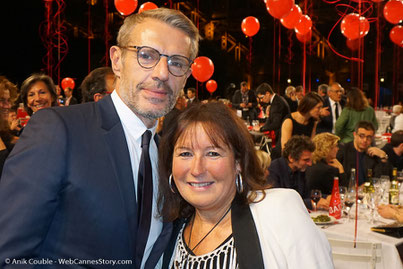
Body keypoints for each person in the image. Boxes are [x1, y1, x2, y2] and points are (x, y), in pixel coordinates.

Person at [0, 8, 200, 269]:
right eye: (146, 55)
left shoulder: (165, 154)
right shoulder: (59, 129)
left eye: (176, 62)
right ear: (117, 60)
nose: (162, 73)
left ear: (186, 75)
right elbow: (10, 256)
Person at [158, 102, 333, 268]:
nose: (197, 169)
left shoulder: (280, 213)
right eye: (186, 153)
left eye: (212, 153)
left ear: (238, 163)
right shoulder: (167, 231)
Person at [268, 135, 330, 210]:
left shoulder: (299, 170)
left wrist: (326, 197)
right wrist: (311, 203)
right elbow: (280, 202)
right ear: (291, 158)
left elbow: (306, 195)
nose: (310, 164)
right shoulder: (273, 170)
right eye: (306, 160)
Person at [337, 121, 392, 186]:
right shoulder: (343, 150)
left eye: (369, 137)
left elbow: (383, 179)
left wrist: (383, 157)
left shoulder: (374, 153)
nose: (365, 140)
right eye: (361, 136)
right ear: (354, 135)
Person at [274, 92, 323, 159]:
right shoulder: (289, 121)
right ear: (309, 106)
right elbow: (285, 150)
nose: (320, 111)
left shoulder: (313, 122)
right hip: (284, 158)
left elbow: (311, 146)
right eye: (318, 108)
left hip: (301, 158)